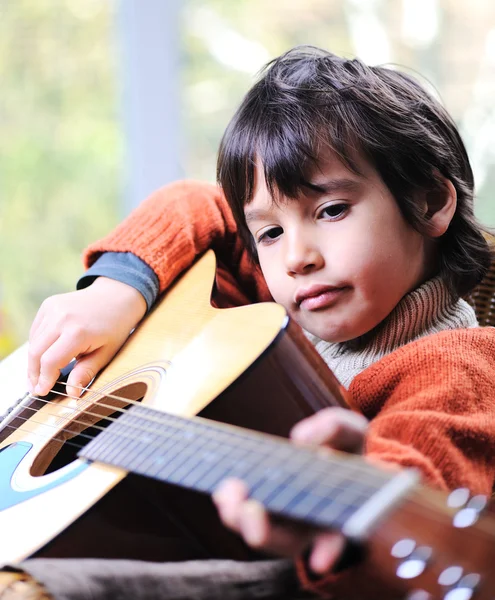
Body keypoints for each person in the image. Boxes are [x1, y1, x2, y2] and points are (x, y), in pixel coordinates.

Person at [18, 46, 495, 598]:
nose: (297, 256)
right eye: (269, 232)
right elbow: (196, 201)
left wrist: (341, 505)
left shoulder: (460, 364)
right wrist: (117, 288)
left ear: (430, 200)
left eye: (332, 210)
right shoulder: (277, 302)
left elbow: (418, 472)